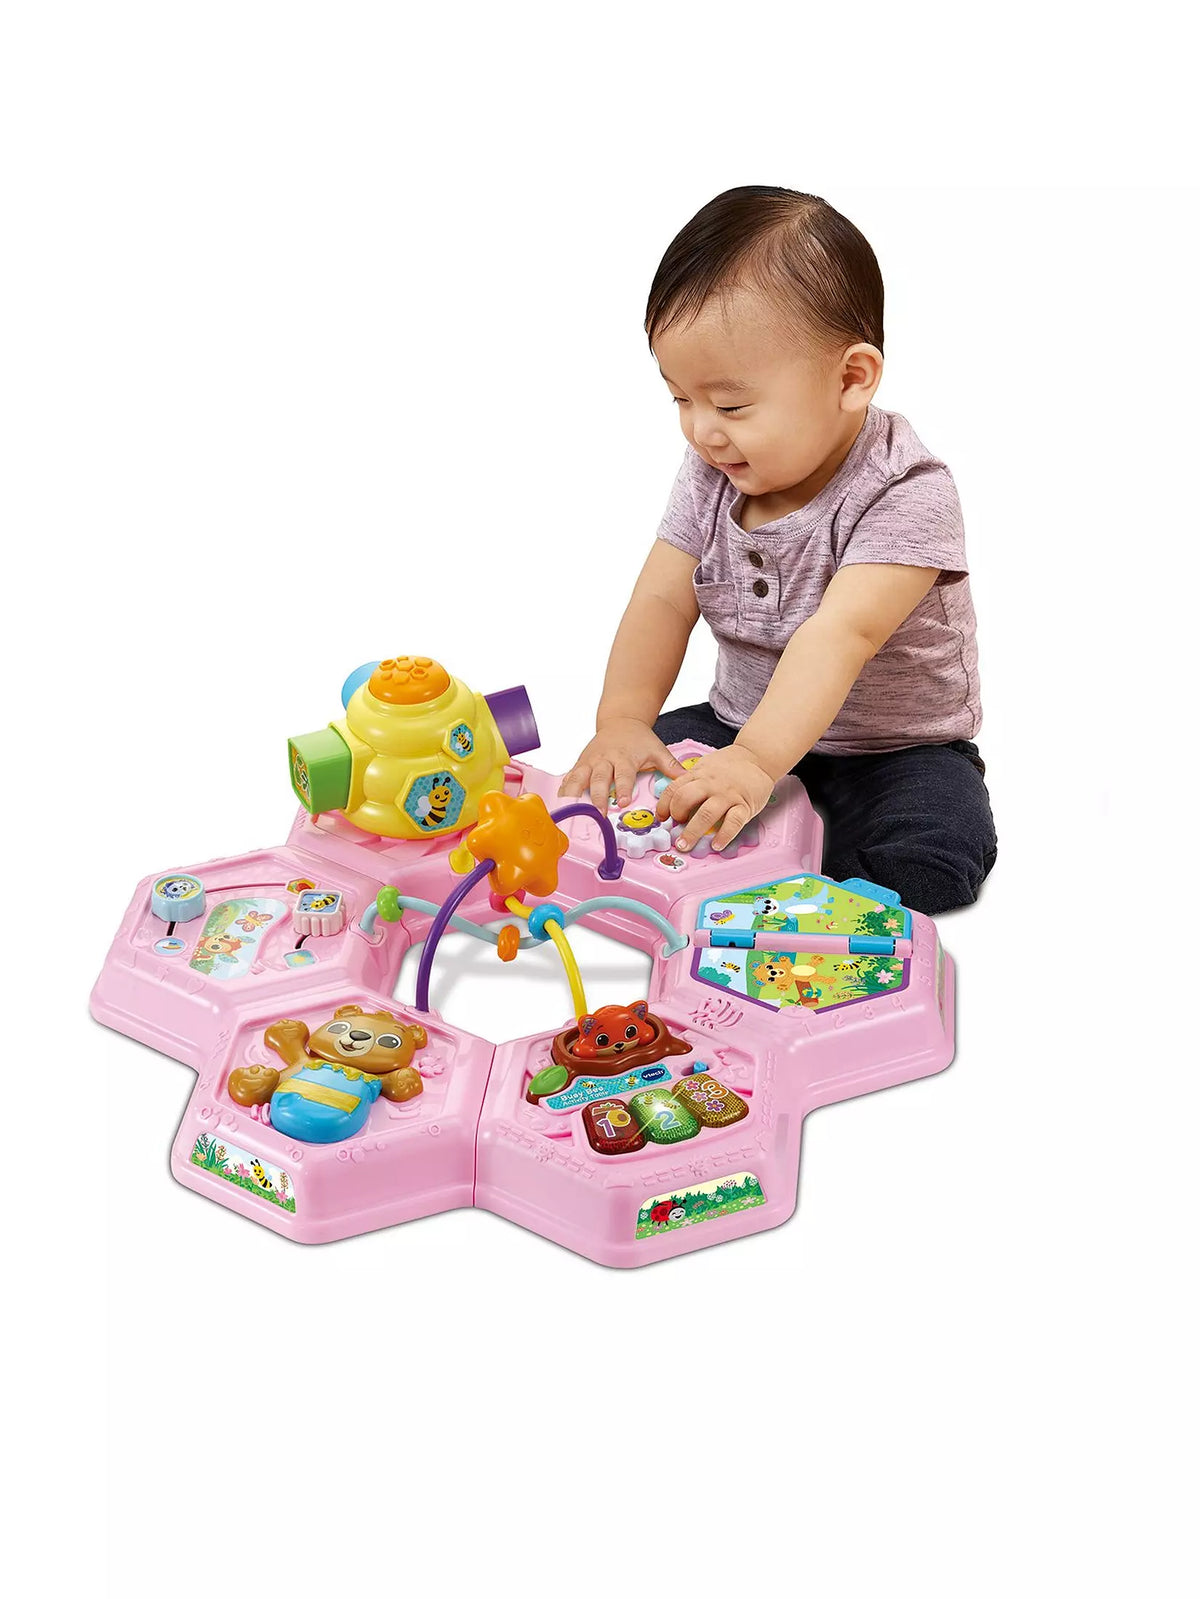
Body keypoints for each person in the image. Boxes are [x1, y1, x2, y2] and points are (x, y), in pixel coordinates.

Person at [558, 186, 996, 915]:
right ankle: (728, 850)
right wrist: (623, 721)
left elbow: (840, 635)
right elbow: (663, 598)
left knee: (933, 853)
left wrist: (760, 765)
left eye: (730, 405)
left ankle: (794, 877)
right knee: (630, 781)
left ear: (851, 378)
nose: (703, 430)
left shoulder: (908, 491)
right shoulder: (713, 473)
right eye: (680, 399)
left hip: (892, 750)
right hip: (737, 724)